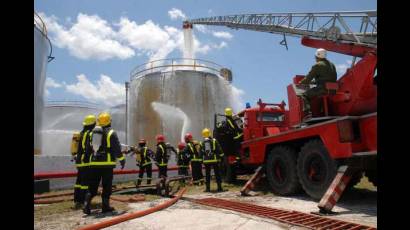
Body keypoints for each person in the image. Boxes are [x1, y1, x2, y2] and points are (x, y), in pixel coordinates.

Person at [83, 112, 126, 215]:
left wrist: (89, 160)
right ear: (109, 121)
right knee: (106, 186)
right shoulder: (111, 133)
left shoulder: (92, 133)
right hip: (107, 164)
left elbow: (88, 149)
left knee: (92, 186)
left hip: (94, 164)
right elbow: (117, 149)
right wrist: (122, 159)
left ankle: (86, 205)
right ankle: (105, 207)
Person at [299, 48, 337, 117]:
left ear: (317, 56)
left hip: (323, 89)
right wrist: (314, 82)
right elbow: (327, 78)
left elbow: (308, 79)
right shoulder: (332, 64)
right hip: (333, 90)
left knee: (304, 95)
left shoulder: (317, 65)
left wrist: (301, 82)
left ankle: (308, 114)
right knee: (320, 94)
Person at [73, 114, 96, 209]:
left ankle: (77, 200)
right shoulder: (90, 133)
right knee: (85, 183)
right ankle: (83, 201)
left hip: (79, 160)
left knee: (79, 181)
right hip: (85, 161)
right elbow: (88, 148)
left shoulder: (81, 133)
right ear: (93, 124)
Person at [200, 128, 224, 192]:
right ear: (209, 134)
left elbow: (201, 153)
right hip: (214, 160)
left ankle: (208, 189)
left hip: (206, 161)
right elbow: (219, 149)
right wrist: (221, 157)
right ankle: (219, 188)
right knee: (217, 174)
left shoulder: (202, 143)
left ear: (203, 135)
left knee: (207, 175)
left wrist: (201, 161)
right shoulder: (214, 141)